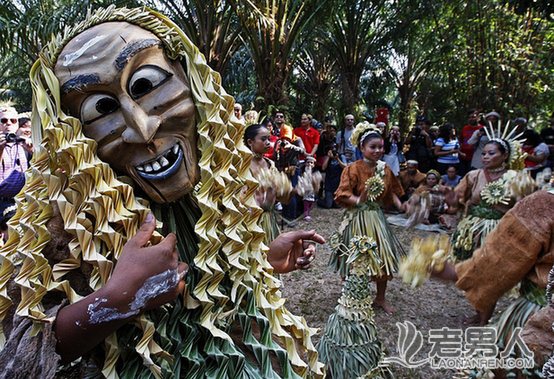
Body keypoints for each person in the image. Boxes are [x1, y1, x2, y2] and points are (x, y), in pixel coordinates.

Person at [0, 8, 325, 378]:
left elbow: (205, 297)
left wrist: (261, 260)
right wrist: (117, 299)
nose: (143, 128)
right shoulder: (67, 222)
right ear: (74, 134)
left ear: (192, 81)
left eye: (146, 84)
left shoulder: (214, 196)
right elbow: (19, 355)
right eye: (101, 108)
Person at [434, 190, 554, 364]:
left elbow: (499, 263)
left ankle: (483, 319)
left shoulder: (542, 205)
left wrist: (457, 272)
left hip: (542, 323)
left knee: (516, 365)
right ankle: (481, 317)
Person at [330, 122, 405, 314]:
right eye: (373, 147)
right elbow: (342, 194)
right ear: (362, 148)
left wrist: (401, 205)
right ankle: (352, 297)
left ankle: (380, 298)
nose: (378, 150)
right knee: (355, 258)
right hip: (358, 218)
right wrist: (358, 200)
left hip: (377, 218)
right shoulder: (352, 168)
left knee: (382, 258)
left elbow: (392, 193)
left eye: (381, 147)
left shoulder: (385, 168)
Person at [451, 133, 527, 261]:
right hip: (471, 231)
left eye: (491, 153)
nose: (485, 157)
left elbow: (523, 208)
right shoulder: (473, 175)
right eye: (483, 154)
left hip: (500, 231)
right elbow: (458, 199)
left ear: (505, 156)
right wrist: (451, 199)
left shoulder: (516, 179)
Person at [244, 123, 291, 244]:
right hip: (249, 223)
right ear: (250, 142)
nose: (268, 143)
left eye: (269, 139)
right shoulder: (241, 165)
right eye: (263, 139)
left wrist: (295, 189)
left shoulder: (270, 164)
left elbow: (282, 197)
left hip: (269, 221)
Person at [0, 106, 30, 225]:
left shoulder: (23, 144)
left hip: (24, 201)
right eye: (3, 121)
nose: (8, 124)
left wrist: (34, 151)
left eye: (13, 121)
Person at [317, 144, 345, 209]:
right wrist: (328, 157)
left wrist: (338, 159)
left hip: (338, 186)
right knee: (328, 205)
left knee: (338, 206)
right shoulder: (327, 158)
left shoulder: (341, 156)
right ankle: (319, 200)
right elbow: (323, 168)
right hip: (329, 185)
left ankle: (332, 200)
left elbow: (345, 167)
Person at [459, 109, 482, 175]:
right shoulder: (465, 128)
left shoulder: (482, 129)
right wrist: (460, 152)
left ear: (478, 118)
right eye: (469, 117)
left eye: (473, 117)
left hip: (475, 158)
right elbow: (461, 141)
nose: (471, 119)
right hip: (463, 157)